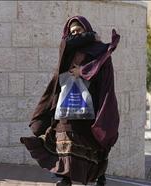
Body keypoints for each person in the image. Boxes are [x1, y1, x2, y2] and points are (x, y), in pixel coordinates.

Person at [20, 16, 120, 186]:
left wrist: (83, 70)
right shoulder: (68, 49)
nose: (75, 34)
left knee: (92, 138)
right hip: (68, 104)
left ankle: (98, 174)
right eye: (72, 31)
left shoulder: (98, 49)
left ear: (86, 29)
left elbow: (101, 67)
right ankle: (66, 177)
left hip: (92, 102)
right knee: (65, 135)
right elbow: (62, 61)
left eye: (78, 30)